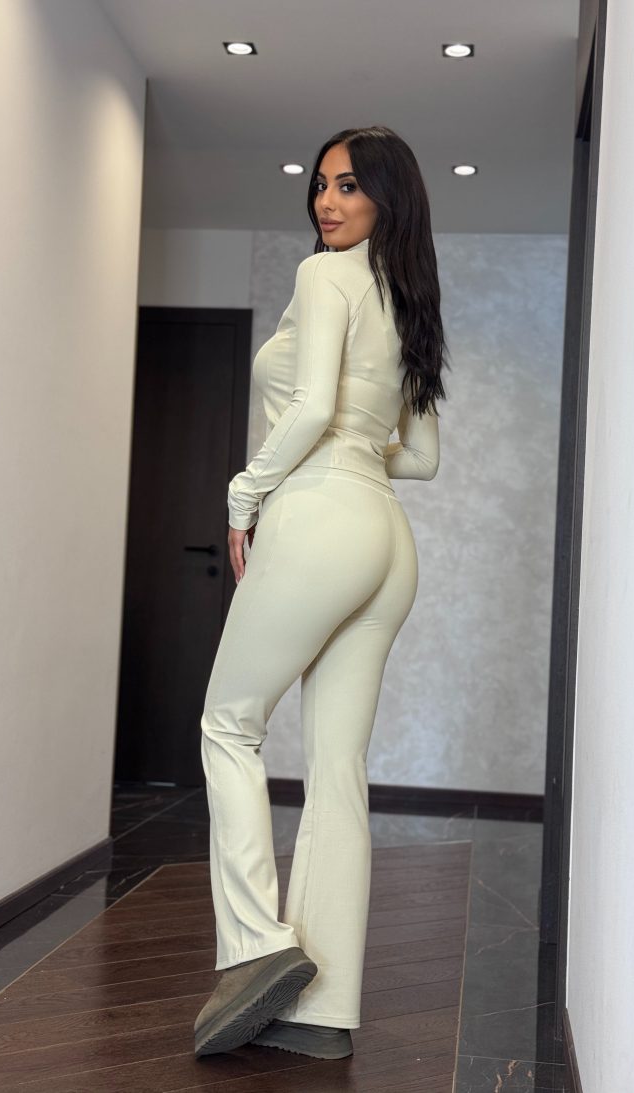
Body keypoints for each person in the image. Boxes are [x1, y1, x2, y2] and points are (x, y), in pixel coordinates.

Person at [193, 125, 448, 1061]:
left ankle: (256, 946)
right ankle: (325, 1012)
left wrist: (243, 494)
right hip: (386, 535)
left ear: (387, 197)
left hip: (320, 516)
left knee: (229, 725)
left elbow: (305, 409)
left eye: (348, 186)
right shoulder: (411, 302)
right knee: (338, 768)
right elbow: (421, 456)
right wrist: (358, 441)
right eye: (321, 185)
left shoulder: (324, 276)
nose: (326, 203)